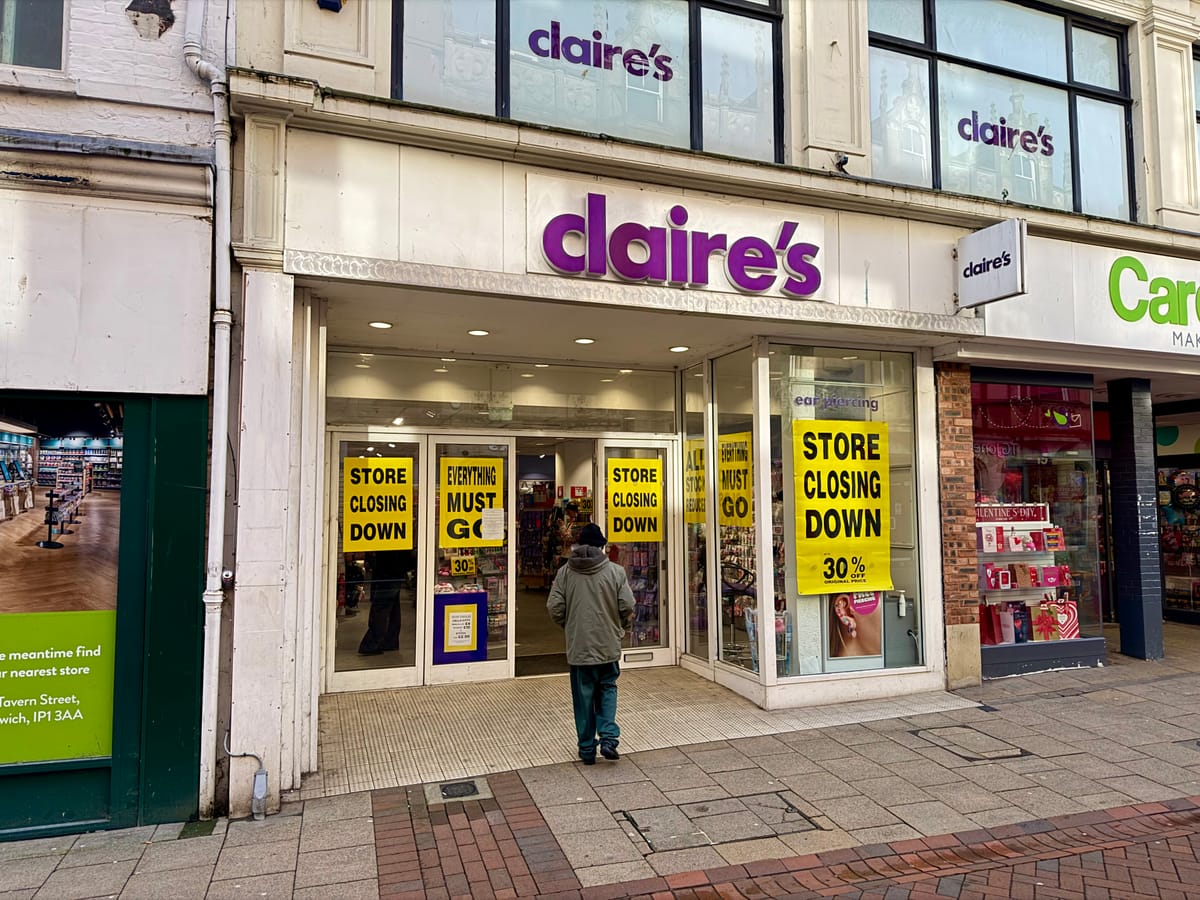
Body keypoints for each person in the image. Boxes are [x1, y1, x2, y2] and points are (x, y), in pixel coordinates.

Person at [547, 522, 635, 765]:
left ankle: (587, 749)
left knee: (583, 697)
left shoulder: (565, 572)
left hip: (580, 647)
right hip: (608, 645)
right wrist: (620, 625)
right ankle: (608, 737)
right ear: (601, 546)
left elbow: (554, 607)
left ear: (578, 545)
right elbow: (627, 605)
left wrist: (570, 625)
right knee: (607, 688)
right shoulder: (616, 572)